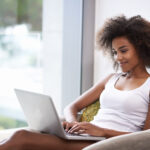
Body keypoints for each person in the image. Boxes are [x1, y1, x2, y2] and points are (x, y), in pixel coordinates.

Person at [1, 15, 150, 150]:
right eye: (115, 52)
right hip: (88, 137)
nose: (118, 57)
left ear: (141, 47)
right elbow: (72, 107)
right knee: (20, 137)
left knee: (21, 138)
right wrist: (73, 123)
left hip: (108, 143)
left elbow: (145, 137)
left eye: (123, 51)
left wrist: (102, 131)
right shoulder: (111, 78)